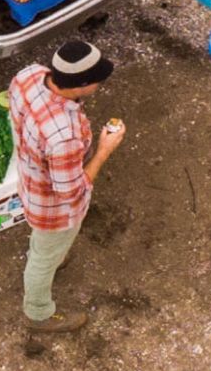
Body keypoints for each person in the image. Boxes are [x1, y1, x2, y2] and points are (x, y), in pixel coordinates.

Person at [8, 40, 125, 335]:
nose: (100, 83)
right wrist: (104, 151)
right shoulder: (64, 137)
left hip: (29, 181)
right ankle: (38, 313)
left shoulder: (29, 75)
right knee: (42, 260)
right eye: (97, 79)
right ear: (81, 85)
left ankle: (54, 256)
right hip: (52, 210)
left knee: (47, 248)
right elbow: (70, 192)